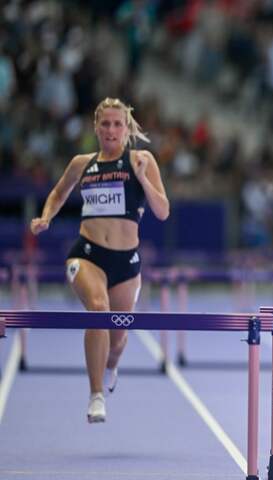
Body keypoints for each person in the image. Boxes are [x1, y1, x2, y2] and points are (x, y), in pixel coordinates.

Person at [30, 97, 170, 423]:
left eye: (117, 124)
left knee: (118, 339)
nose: (110, 130)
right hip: (88, 253)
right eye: (105, 124)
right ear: (96, 127)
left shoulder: (141, 159)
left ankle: (111, 365)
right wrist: (46, 216)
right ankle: (95, 395)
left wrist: (143, 179)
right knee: (98, 307)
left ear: (126, 128)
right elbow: (59, 191)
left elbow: (163, 211)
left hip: (126, 262)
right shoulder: (82, 163)